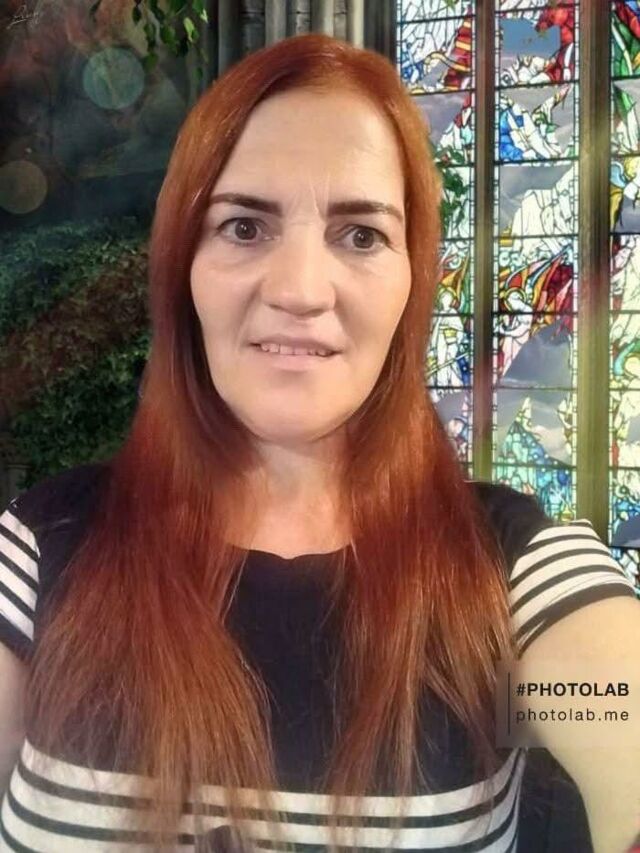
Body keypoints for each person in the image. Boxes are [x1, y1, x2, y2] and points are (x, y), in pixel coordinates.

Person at [0, 32, 638, 853]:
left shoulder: (509, 577)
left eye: (361, 235)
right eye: (243, 227)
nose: (300, 290)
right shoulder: (41, 548)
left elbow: (614, 703)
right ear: (182, 265)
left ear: (413, 281)